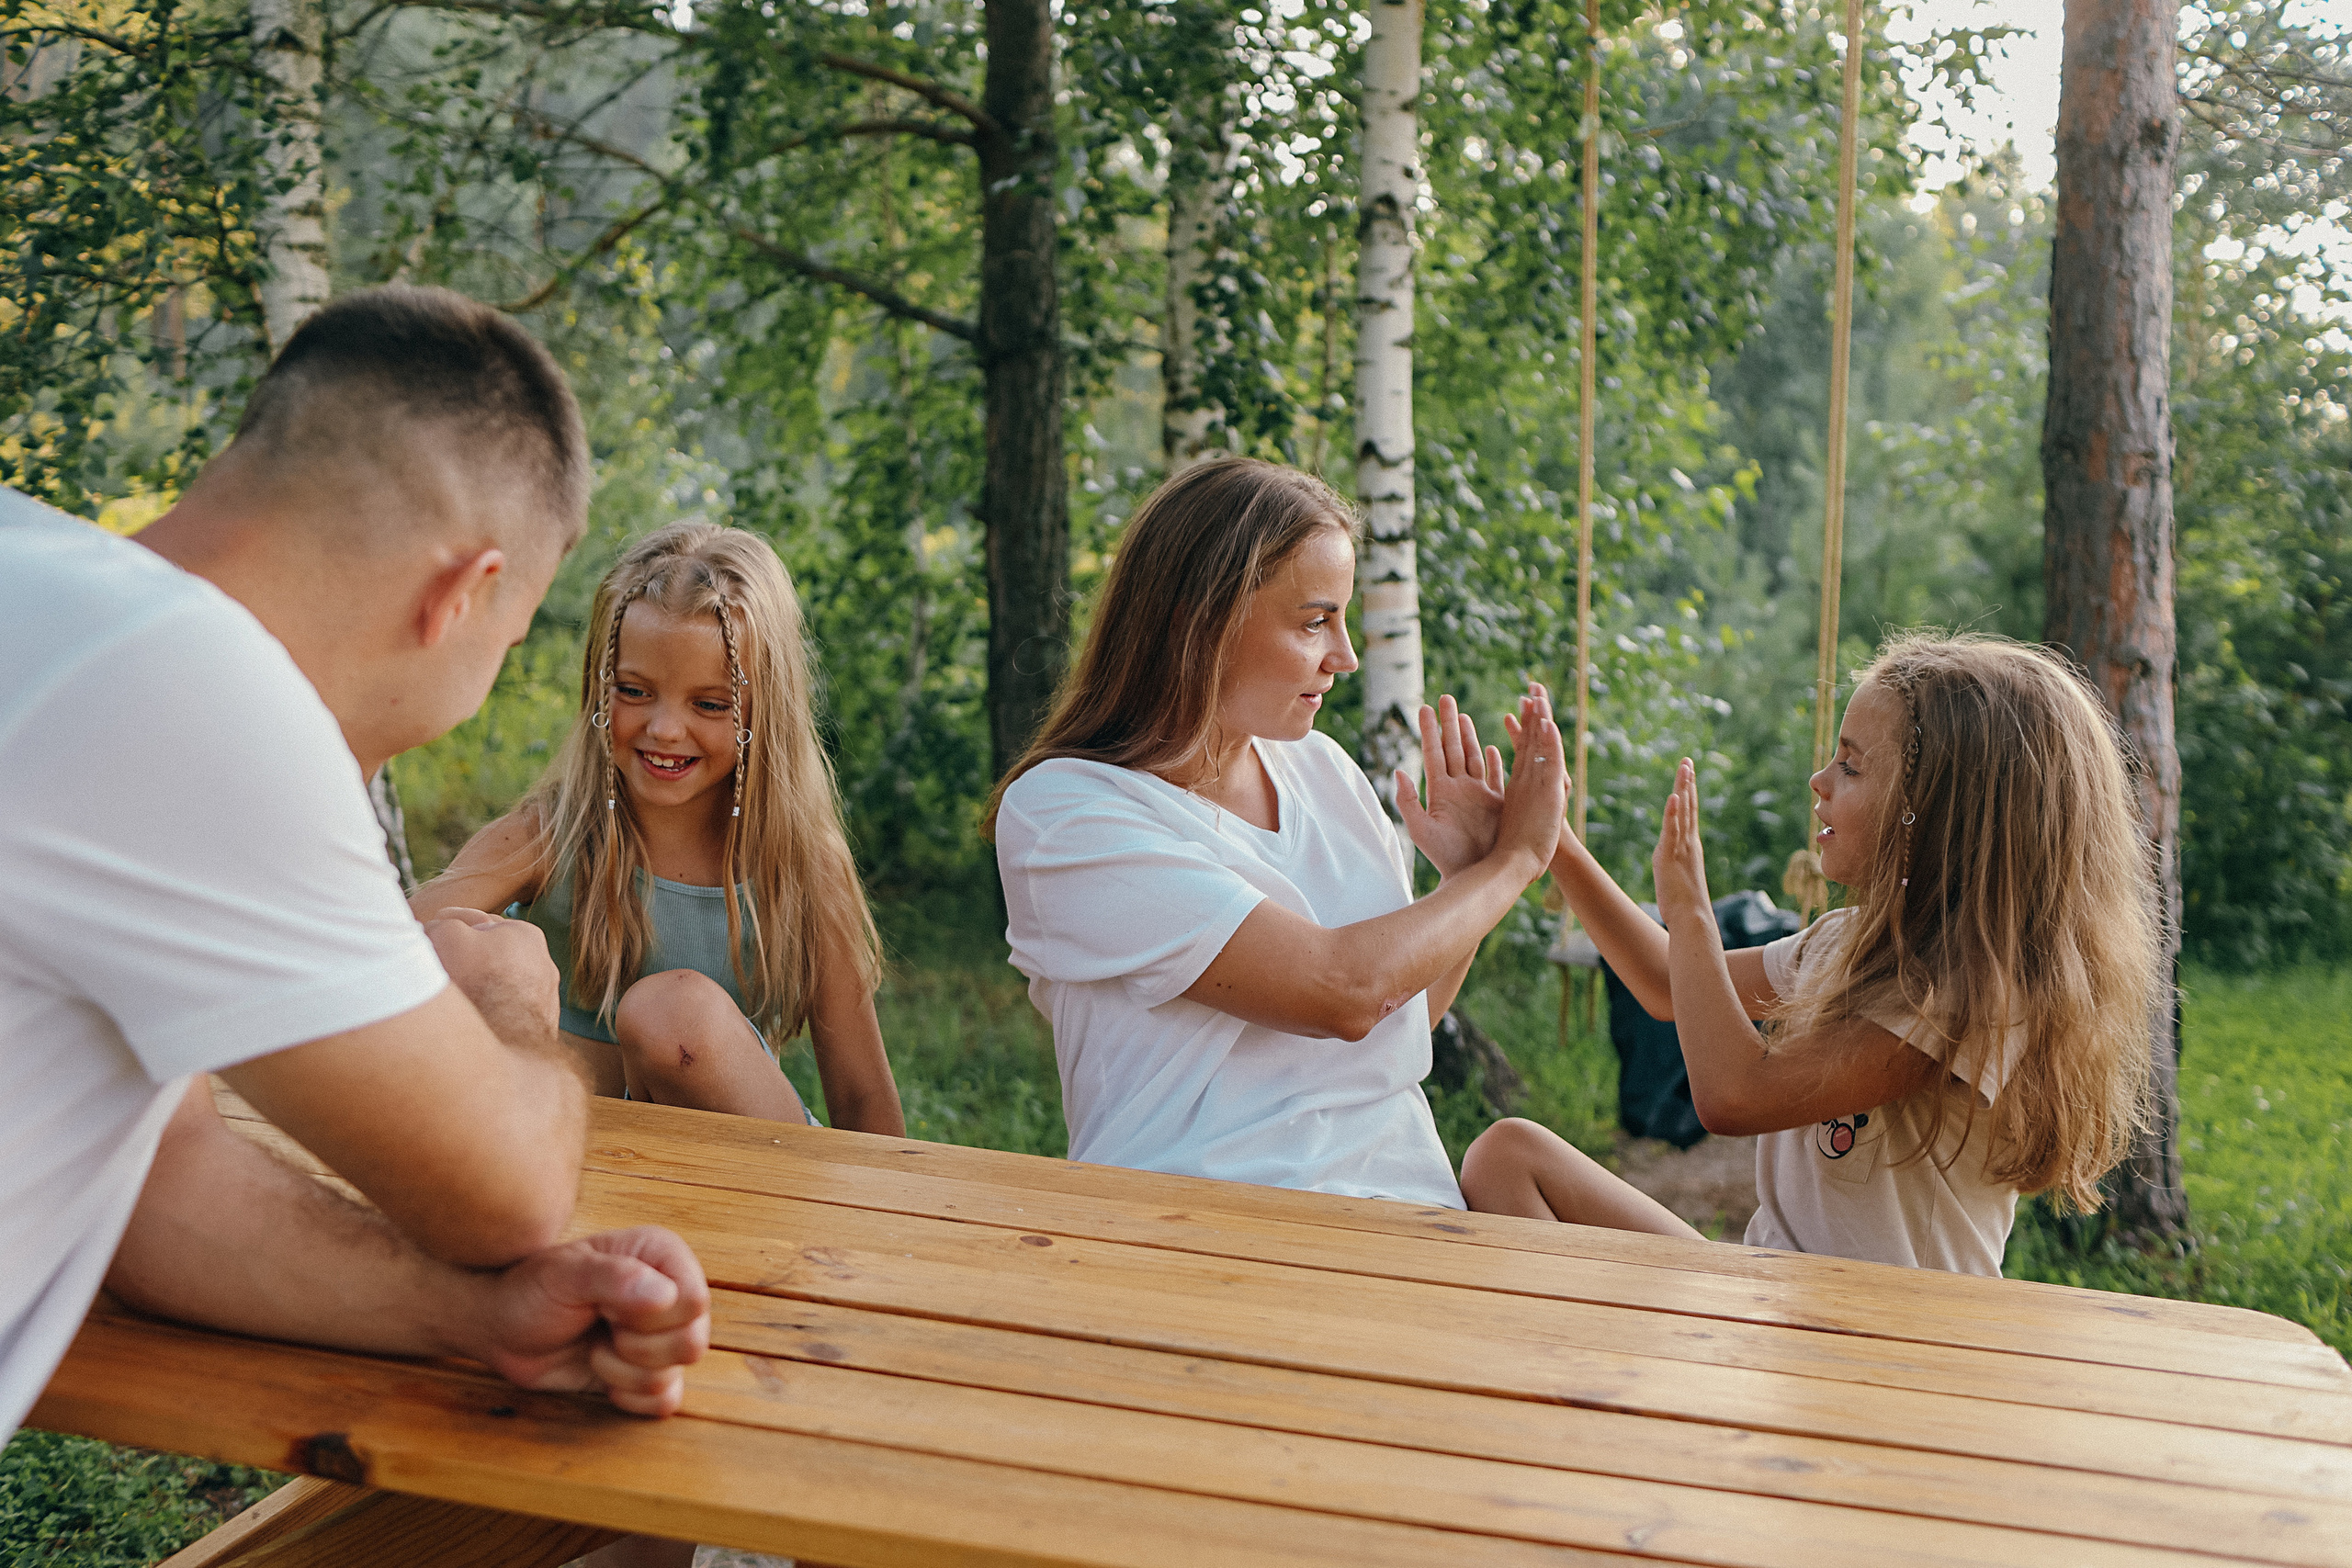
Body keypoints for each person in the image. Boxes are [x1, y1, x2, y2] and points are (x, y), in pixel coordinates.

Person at [0, 285, 710, 1446]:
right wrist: (505, 1010)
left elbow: (160, 1178)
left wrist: (471, 1315)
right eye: (512, 637)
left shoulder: (48, 590)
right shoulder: (199, 689)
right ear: (464, 594)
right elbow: (512, 1189)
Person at [989, 457, 1611, 1212]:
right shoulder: (1066, 813)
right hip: (1207, 1233)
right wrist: (1514, 861)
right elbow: (1343, 991)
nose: (1344, 656)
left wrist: (1463, 881)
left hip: (1403, 1210)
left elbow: (1390, 1021)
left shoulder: (1324, 770)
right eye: (1316, 620)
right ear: (1202, 620)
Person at [1463, 632, 2161, 1275]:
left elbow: (1734, 1093)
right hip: (1774, 1294)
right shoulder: (1844, 941)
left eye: (1851, 766)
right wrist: (1546, 838)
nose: (1819, 780)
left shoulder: (1969, 1000)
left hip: (1886, 1346)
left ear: (1935, 813)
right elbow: (1663, 982)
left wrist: (1692, 912)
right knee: (1507, 1158)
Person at [413, 522, 903, 1134]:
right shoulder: (551, 832)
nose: (666, 729)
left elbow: (862, 1097)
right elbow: (379, 947)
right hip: (570, 1163)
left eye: (710, 704)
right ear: (599, 686)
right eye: (635, 690)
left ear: (764, 709)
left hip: (757, 1172)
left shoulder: (801, 865)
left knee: (673, 1012)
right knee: (461, 947)